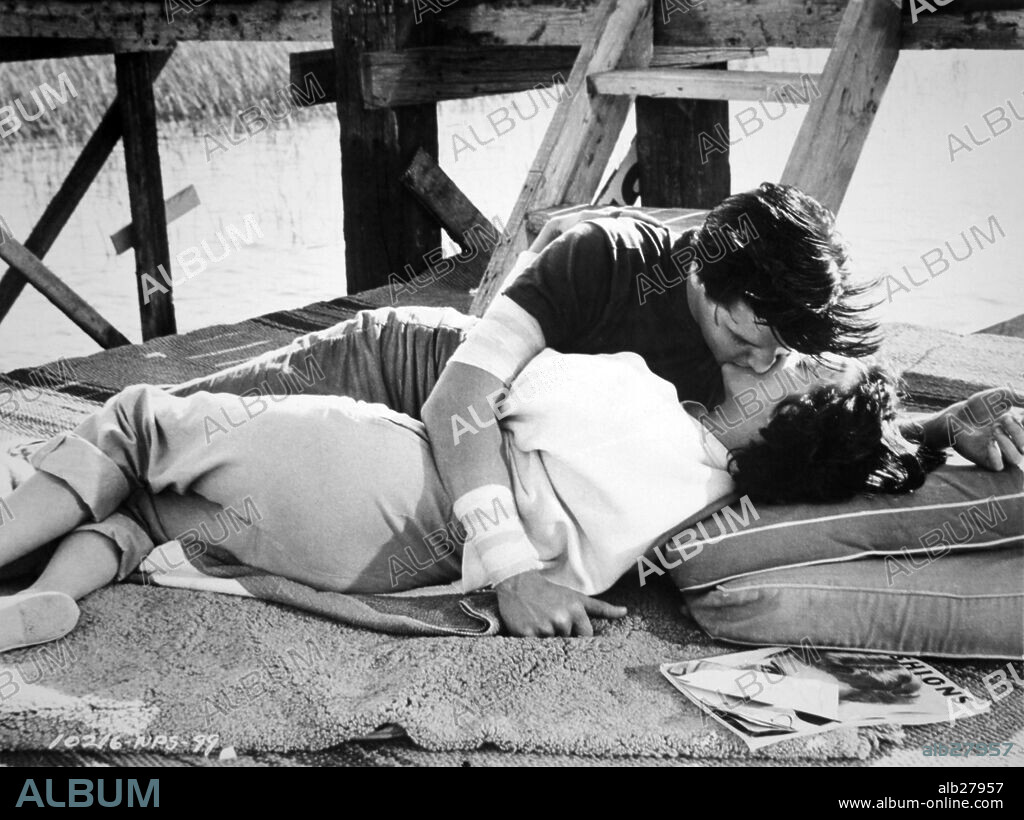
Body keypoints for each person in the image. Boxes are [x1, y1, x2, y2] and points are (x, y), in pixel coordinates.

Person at [0, 347, 935, 652]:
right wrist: (928, 435)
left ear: (786, 415)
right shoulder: (699, 512)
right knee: (151, 514)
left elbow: (476, 399)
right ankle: (53, 597)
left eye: (801, 368)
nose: (782, 353)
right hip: (394, 568)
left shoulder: (639, 397)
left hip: (397, 490)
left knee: (134, 422)